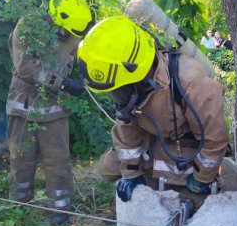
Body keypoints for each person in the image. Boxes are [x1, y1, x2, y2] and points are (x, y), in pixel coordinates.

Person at [77, 16, 229, 203]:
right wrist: (131, 173)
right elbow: (127, 130)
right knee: (107, 168)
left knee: (189, 194)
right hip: (152, 137)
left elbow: (214, 140)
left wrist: (201, 179)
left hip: (187, 144)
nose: (115, 97)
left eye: (115, 90)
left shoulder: (191, 83)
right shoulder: (129, 89)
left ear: (136, 76)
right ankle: (149, 171)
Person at [6, 0, 92, 226]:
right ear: (55, 20)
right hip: (24, 104)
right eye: (66, 32)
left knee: (58, 160)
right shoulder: (28, 27)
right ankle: (19, 207)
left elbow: (73, 57)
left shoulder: (72, 31)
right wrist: (63, 84)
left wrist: (80, 78)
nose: (69, 37)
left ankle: (60, 211)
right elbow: (26, 69)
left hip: (55, 108)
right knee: (21, 158)